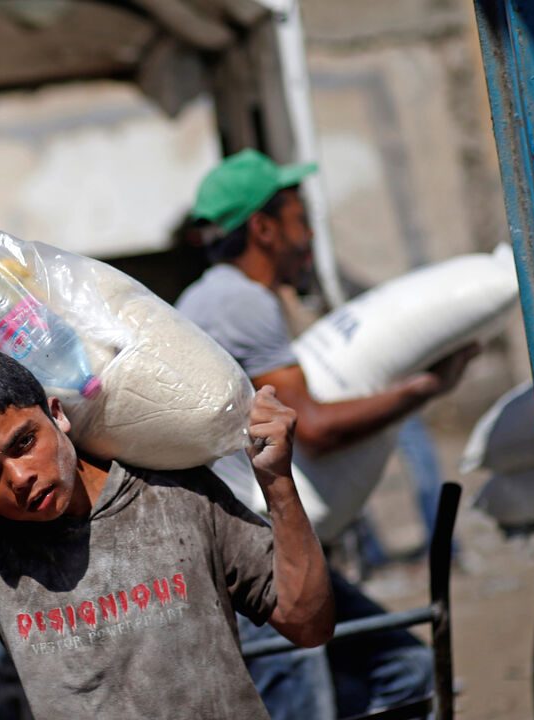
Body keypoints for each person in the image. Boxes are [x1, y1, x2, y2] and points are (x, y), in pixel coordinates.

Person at [0, 240, 336, 718]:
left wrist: (278, 484)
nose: (19, 477)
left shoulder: (176, 490)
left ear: (57, 413)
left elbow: (306, 622)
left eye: (24, 442)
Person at [175, 148, 477, 718]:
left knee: (404, 670)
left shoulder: (214, 295)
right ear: (263, 229)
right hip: (246, 550)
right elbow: (312, 428)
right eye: (299, 219)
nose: (309, 236)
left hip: (242, 539)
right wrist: (424, 389)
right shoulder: (241, 302)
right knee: (304, 695)